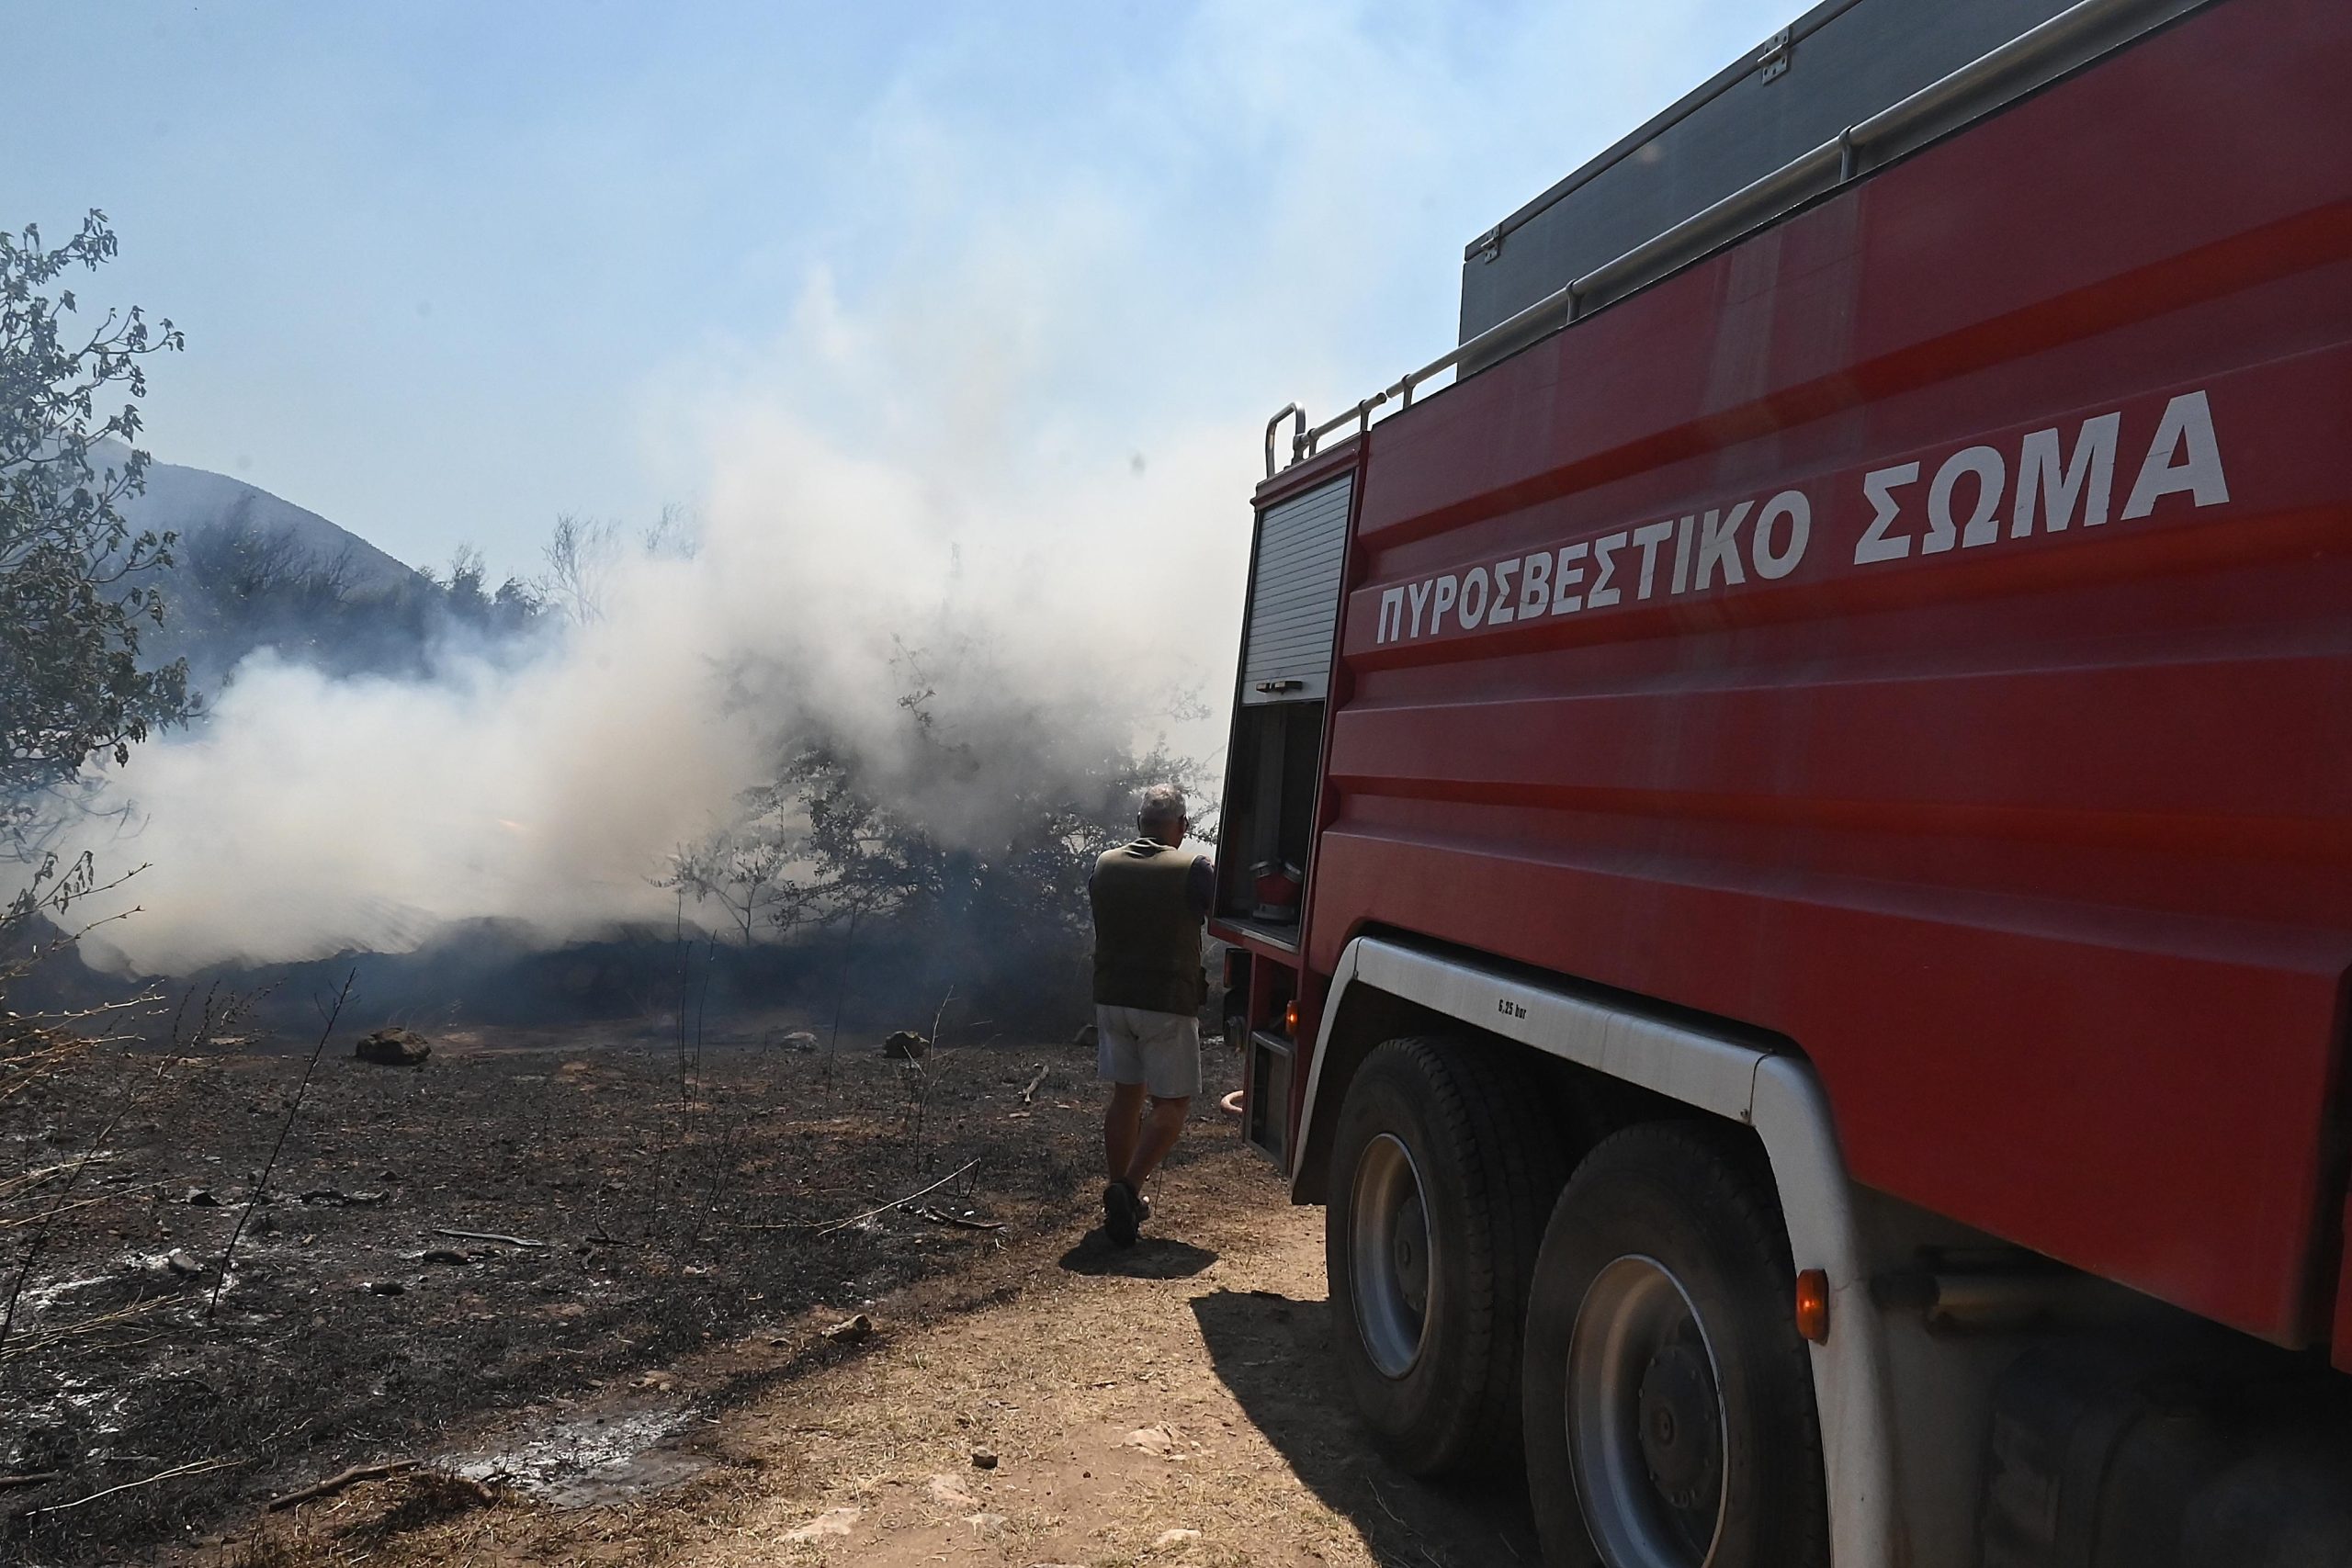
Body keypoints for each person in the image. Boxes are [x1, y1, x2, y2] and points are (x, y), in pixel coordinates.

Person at [1089, 783, 1214, 1247]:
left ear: (1140, 824)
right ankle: (1127, 1187)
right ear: (1181, 825)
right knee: (1171, 1105)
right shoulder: (1193, 869)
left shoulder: (1105, 864)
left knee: (1126, 1097)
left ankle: (1119, 1200)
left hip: (1112, 998)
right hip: (1165, 1002)